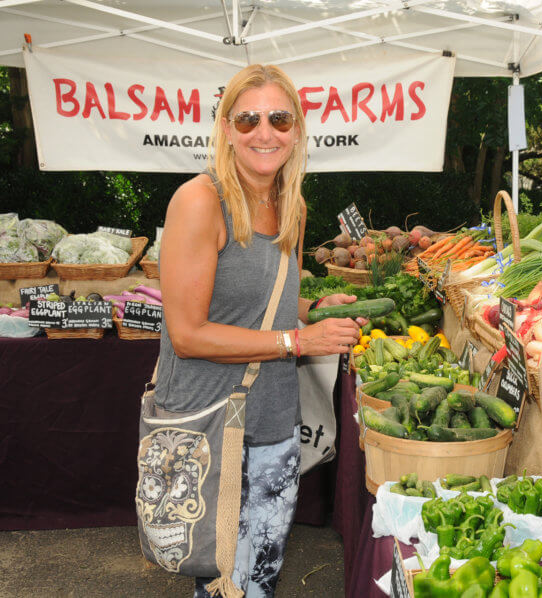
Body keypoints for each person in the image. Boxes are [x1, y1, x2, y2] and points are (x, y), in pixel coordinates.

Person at [156, 64, 363, 597]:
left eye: (278, 119)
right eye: (248, 120)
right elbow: (187, 334)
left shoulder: (291, 204)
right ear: (226, 128)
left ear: (296, 130)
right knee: (221, 580)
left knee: (261, 576)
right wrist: (298, 341)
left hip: (273, 422)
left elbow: (266, 298)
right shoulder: (199, 202)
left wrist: (312, 308)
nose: (264, 133)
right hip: (210, 426)